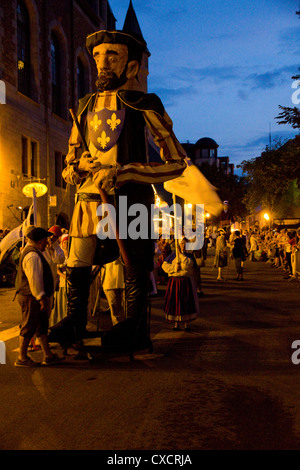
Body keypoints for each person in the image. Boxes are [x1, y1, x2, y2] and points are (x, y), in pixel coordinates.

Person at [59, 26, 187, 348]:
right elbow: (69, 169)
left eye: (112, 55)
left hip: (130, 201)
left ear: (130, 66)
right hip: (88, 199)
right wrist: (79, 167)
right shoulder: (84, 106)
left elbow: (176, 161)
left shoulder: (145, 103)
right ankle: (74, 323)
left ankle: (133, 328)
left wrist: (125, 171)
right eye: (98, 56)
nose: (103, 63)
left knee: (133, 265)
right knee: (76, 264)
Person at [14, 226, 64, 367]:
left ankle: (47, 355)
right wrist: (41, 297)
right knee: (29, 326)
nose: (47, 242)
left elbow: (58, 259)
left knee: (41, 325)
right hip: (32, 297)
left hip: (35, 296)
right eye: (46, 240)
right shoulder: (32, 255)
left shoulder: (36, 252)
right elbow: (34, 279)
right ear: (41, 241)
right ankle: (22, 358)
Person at [162, 237, 199, 331]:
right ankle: (176, 323)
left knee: (186, 303)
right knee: (175, 302)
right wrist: (175, 268)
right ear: (178, 245)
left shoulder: (189, 256)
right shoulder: (172, 255)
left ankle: (186, 323)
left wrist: (181, 256)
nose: (183, 245)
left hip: (186, 282)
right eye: (182, 243)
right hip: (174, 282)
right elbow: (164, 266)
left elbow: (189, 266)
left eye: (185, 243)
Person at [49, 233, 69, 327]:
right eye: (65, 242)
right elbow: (57, 269)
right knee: (61, 303)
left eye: (68, 243)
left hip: (70, 282)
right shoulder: (60, 253)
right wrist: (64, 276)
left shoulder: (72, 254)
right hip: (62, 281)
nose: (66, 244)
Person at [102, 257, 125, 326]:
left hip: (125, 277)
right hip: (110, 278)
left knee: (128, 311)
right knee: (115, 313)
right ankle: (118, 332)